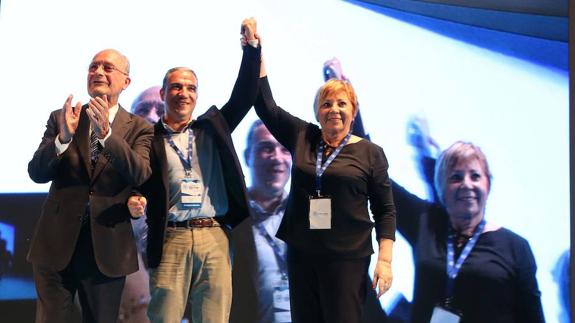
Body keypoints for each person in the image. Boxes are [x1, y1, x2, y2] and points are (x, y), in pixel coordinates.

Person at [127, 18, 261, 323]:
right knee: (165, 318)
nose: (183, 93)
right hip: (170, 237)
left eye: (190, 88)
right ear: (162, 94)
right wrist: (134, 199)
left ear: (197, 96)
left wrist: (252, 49)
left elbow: (244, 95)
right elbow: (138, 179)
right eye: (175, 87)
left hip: (213, 235)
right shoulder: (148, 139)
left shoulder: (212, 129)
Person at [254, 44, 396, 323]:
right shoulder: (303, 136)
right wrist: (255, 53)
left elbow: (385, 210)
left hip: (346, 260)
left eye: (342, 104)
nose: (334, 110)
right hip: (302, 254)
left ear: (353, 113)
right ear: (317, 112)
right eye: (326, 104)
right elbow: (266, 106)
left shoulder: (370, 152)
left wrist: (385, 260)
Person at [27, 48, 153, 323]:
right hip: (55, 243)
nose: (98, 72)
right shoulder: (63, 117)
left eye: (107, 68)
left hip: (107, 249)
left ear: (126, 82)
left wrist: (107, 135)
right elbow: (36, 173)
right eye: (93, 66)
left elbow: (140, 172)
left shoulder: (139, 128)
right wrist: (62, 138)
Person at [392, 141, 545, 323]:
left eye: (475, 176)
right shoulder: (426, 224)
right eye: (456, 177)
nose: (466, 184)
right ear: (441, 187)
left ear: (488, 185)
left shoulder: (515, 247)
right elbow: (376, 181)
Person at [231, 120, 293, 323]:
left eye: (285, 149)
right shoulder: (229, 218)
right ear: (247, 157)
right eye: (267, 148)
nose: (277, 158)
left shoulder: (307, 213)